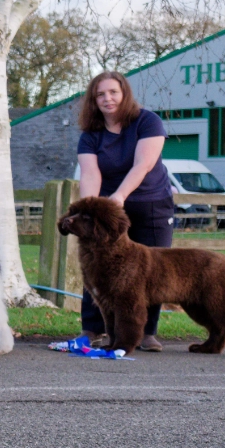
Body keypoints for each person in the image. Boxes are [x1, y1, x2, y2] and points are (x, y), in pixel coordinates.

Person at [74, 71, 169, 352]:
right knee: (97, 264)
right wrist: (89, 212)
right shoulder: (90, 135)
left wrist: (120, 196)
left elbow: (143, 164)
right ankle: (92, 329)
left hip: (150, 203)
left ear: (124, 93)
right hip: (110, 212)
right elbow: (90, 174)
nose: (107, 98)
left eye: (113, 92)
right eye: (100, 94)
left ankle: (146, 333)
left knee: (152, 270)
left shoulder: (147, 121)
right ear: (94, 100)